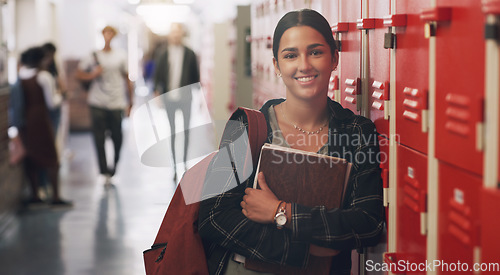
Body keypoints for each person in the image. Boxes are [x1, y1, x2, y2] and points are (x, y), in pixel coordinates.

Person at [198, 9, 384, 274]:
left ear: (334, 59)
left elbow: (367, 223)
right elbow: (214, 217)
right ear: (276, 65)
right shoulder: (247, 127)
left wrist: (280, 212)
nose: (304, 64)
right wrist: (303, 250)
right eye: (290, 55)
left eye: (316, 52)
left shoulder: (357, 132)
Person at [76, 25, 134, 183]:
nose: (108, 36)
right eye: (105, 33)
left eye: (110, 33)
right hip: (97, 101)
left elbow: (127, 78)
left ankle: (114, 166)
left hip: (116, 102)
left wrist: (131, 101)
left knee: (117, 136)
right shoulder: (93, 55)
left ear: (114, 36)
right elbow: (79, 74)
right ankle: (103, 171)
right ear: (102, 35)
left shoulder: (121, 55)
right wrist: (93, 75)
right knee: (99, 138)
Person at [17, 46, 71, 207]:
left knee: (31, 156)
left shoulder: (22, 75)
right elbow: (51, 102)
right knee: (51, 158)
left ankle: (35, 195)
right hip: (41, 118)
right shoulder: (44, 76)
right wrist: (62, 96)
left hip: (26, 120)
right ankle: (55, 196)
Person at [153, 23, 200, 181]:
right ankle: (174, 165)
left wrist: (198, 98)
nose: (175, 36)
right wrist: (157, 95)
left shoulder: (190, 53)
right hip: (169, 98)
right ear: (169, 35)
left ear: (182, 35)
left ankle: (185, 163)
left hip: (185, 98)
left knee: (186, 131)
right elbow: (158, 76)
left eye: (178, 33)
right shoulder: (163, 53)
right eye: (173, 33)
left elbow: (196, 77)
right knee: (172, 132)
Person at [41, 42, 67, 134]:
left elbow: (61, 86)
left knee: (53, 134)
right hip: (45, 107)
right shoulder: (42, 73)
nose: (51, 58)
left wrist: (61, 92)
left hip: (55, 105)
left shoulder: (53, 69)